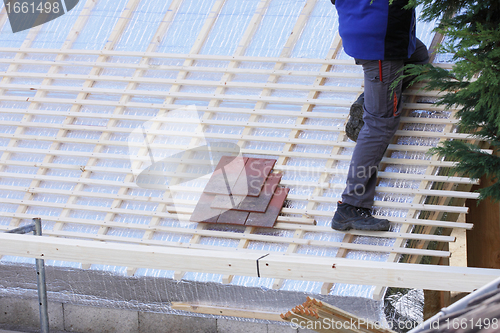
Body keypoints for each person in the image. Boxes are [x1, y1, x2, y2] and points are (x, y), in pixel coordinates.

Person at [330, 0, 430, 231]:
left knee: (418, 57)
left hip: (363, 29)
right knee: (380, 125)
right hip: (381, 41)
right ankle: (351, 206)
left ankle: (373, 100)